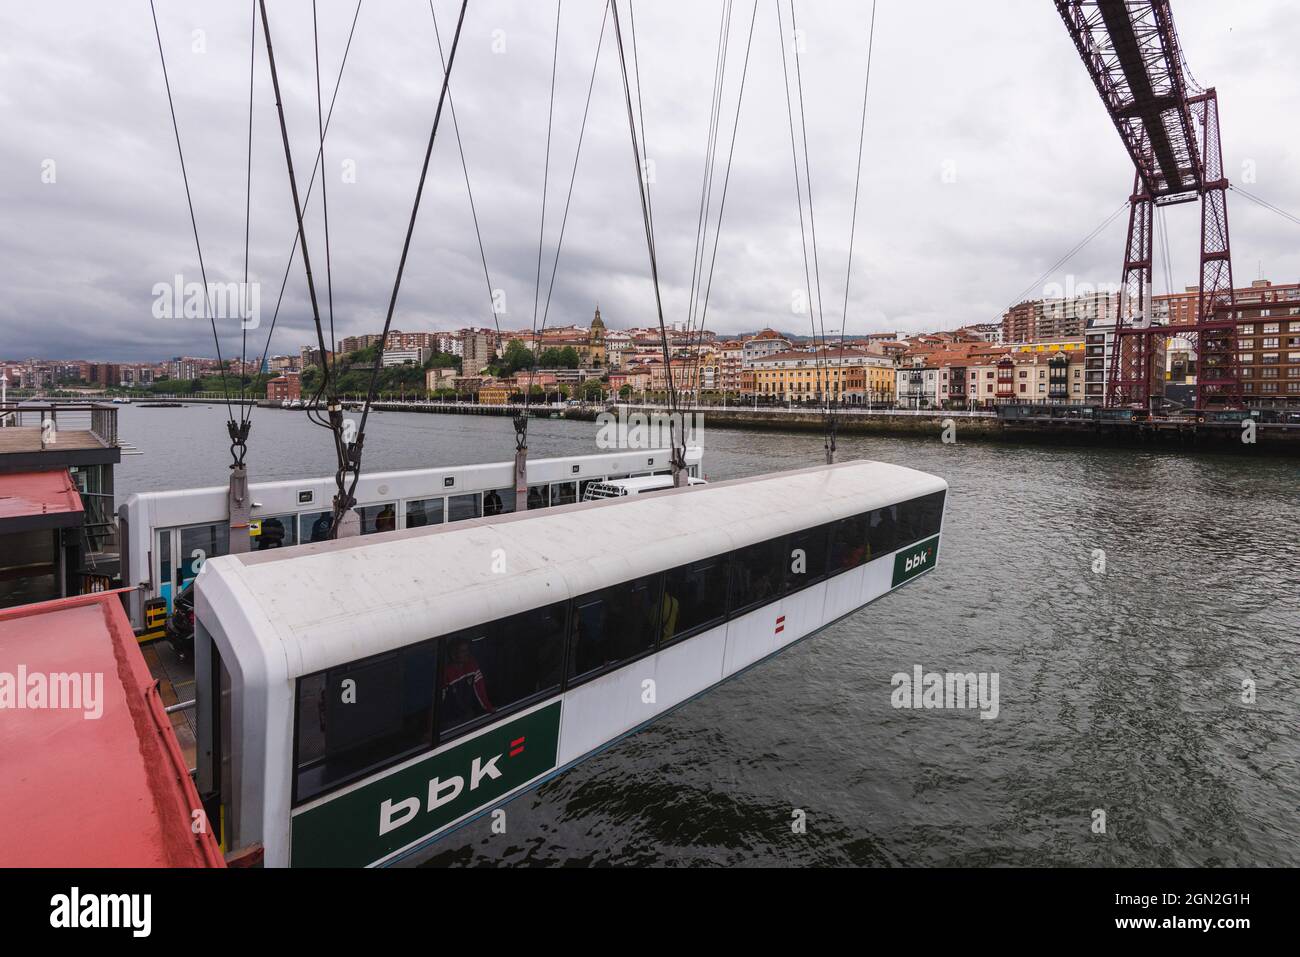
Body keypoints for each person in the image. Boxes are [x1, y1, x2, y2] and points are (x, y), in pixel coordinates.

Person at [440, 638, 493, 729]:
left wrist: (489, 708)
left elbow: (480, 690)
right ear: (453, 655)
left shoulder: (472, 665)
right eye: (463, 651)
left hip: (469, 715)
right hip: (451, 721)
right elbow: (439, 702)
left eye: (467, 650)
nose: (467, 653)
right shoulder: (446, 673)